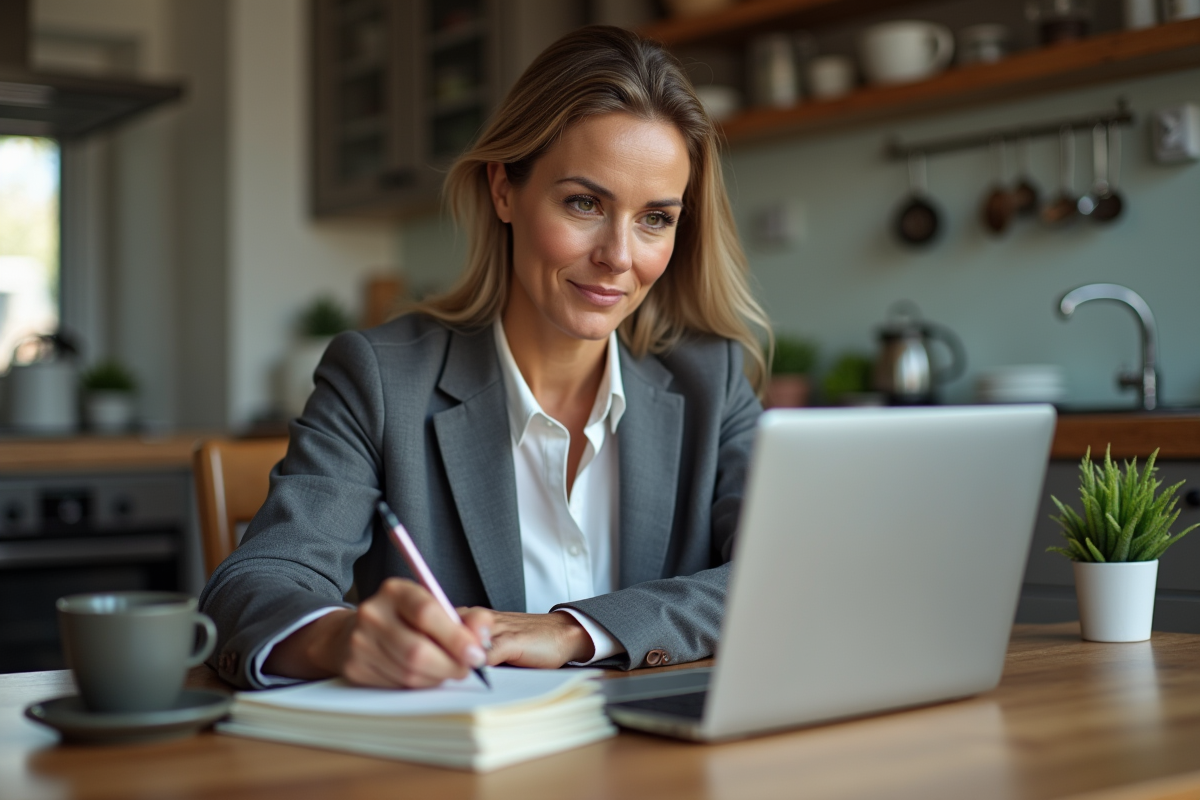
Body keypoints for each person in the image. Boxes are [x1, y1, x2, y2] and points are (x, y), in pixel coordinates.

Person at [199, 25, 771, 690]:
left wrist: (574, 629)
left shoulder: (712, 378)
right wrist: (339, 636)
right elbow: (255, 584)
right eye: (584, 203)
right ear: (505, 191)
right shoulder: (382, 380)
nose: (619, 256)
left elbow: (787, 571)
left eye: (655, 218)